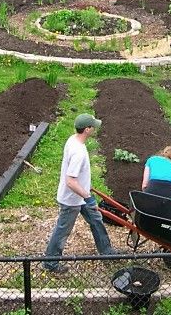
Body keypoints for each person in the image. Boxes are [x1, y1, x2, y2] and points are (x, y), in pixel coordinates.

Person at [43, 113, 115, 273]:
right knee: (63, 230)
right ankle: (50, 262)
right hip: (72, 200)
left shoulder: (73, 139)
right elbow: (70, 181)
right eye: (93, 126)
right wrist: (88, 197)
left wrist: (86, 190)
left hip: (81, 195)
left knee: (96, 220)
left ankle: (107, 252)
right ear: (87, 129)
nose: (95, 128)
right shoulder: (78, 152)